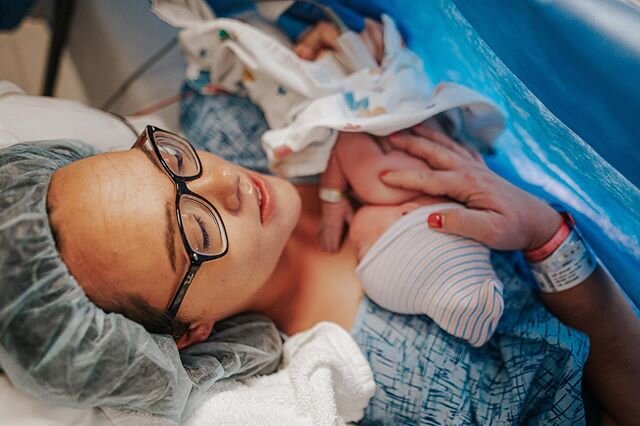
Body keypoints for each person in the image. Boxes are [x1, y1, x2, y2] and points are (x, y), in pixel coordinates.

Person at [34, 112, 637, 424]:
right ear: (192, 329)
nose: (225, 183)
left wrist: (352, 96)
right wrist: (546, 238)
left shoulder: (231, 126)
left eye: (169, 160)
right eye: (194, 230)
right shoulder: (425, 386)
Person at [320, 129, 504, 347]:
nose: (354, 245)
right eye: (362, 249)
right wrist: (332, 192)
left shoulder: (462, 193)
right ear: (406, 214)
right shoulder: (380, 186)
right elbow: (347, 134)